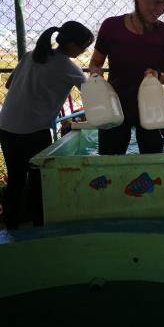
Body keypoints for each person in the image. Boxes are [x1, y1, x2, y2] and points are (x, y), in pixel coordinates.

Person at [0, 21, 94, 229]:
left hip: (6, 126)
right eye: (84, 46)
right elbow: (94, 97)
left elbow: (8, 84)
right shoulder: (70, 68)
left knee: (15, 180)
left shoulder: (31, 55)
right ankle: (40, 227)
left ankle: (11, 227)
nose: (85, 50)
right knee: (39, 181)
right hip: (34, 130)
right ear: (71, 44)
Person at [88, 0, 164, 155]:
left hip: (152, 107)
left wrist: (158, 75)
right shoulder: (111, 26)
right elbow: (95, 62)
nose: (161, 9)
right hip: (114, 107)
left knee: (152, 164)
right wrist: (95, 73)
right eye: (156, 2)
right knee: (109, 162)